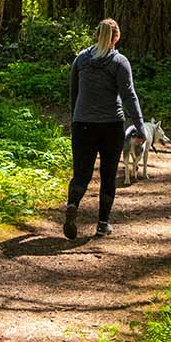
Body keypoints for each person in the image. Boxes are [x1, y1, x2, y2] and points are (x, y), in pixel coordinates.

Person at [63, 17, 145, 240]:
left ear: (96, 35)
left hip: (83, 125)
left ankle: (72, 204)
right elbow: (129, 96)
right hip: (111, 125)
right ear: (116, 38)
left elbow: (74, 92)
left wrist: (75, 118)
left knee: (81, 172)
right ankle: (102, 224)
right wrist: (140, 126)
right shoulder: (119, 62)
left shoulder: (81, 58)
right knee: (108, 174)